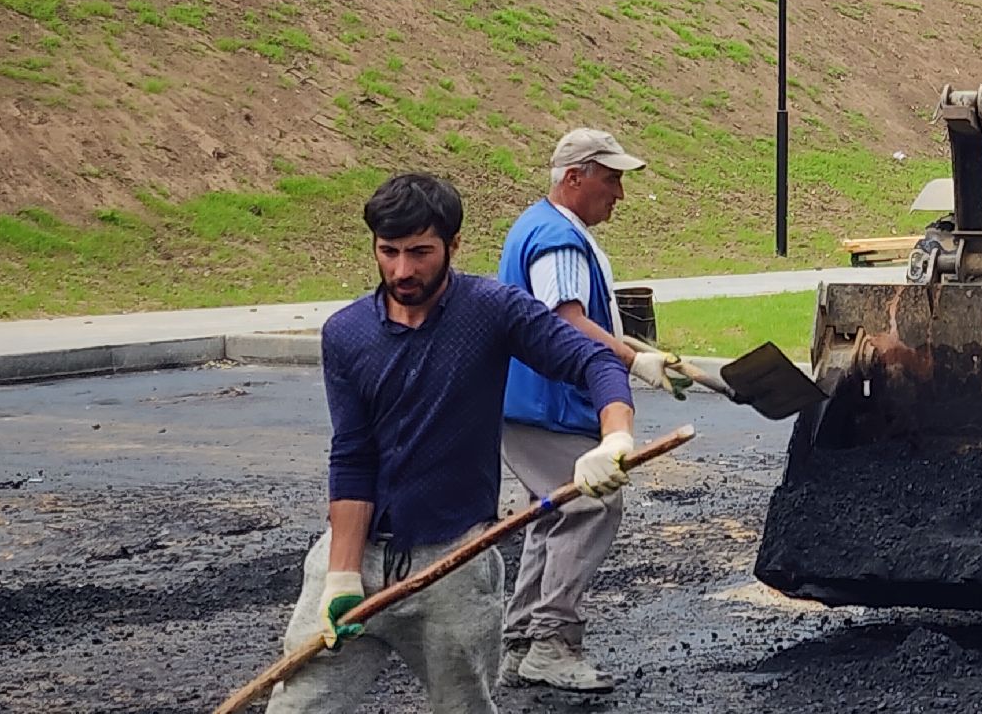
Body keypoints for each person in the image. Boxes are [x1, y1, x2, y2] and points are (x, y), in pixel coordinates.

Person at [268, 173, 638, 714]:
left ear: (453, 245)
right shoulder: (346, 334)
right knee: (298, 706)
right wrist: (342, 574)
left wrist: (615, 437)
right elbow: (352, 454)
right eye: (388, 251)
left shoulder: (491, 311)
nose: (402, 270)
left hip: (454, 568)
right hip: (358, 561)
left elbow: (594, 360)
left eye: (420, 252)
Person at [495, 128, 688, 692]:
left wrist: (639, 352)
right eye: (611, 179)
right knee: (592, 507)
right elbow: (566, 323)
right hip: (548, 402)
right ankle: (552, 643)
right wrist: (629, 362)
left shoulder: (543, 225)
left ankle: (523, 643)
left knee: (554, 511)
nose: (620, 194)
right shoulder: (557, 239)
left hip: (527, 400)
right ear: (573, 177)